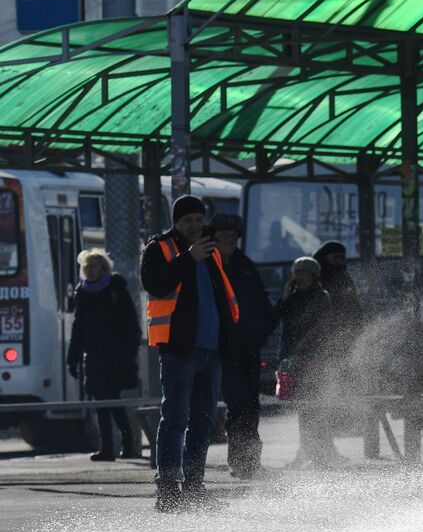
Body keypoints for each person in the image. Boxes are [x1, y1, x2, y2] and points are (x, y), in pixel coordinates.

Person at [141, 195, 241, 513]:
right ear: (176, 221)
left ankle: (194, 486)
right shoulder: (161, 248)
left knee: (203, 420)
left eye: (199, 219)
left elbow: (222, 300)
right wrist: (189, 258)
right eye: (188, 220)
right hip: (180, 349)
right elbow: (154, 284)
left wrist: (228, 341)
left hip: (211, 349)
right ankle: (168, 490)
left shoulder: (210, 252)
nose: (195, 225)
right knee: (174, 419)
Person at [212, 214, 275, 479]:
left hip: (248, 347)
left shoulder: (245, 265)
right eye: (224, 235)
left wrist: (261, 333)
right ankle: (240, 460)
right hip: (223, 349)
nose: (229, 239)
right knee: (238, 405)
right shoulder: (208, 264)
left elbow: (261, 304)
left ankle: (249, 460)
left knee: (250, 405)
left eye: (233, 236)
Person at [67, 248, 142, 462]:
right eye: (86, 267)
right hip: (94, 356)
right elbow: (78, 328)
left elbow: (131, 323)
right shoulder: (83, 293)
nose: (89, 271)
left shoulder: (116, 288)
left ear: (104, 268)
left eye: (94, 266)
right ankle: (108, 448)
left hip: (116, 356)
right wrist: (72, 358)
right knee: (101, 401)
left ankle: (126, 443)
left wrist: (129, 353)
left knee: (111, 398)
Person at [312, 240, 373, 455]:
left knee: (331, 400)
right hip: (320, 349)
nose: (340, 262)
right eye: (335, 258)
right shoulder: (316, 279)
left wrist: (355, 336)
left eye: (342, 258)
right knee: (316, 401)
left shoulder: (343, 278)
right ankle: (316, 449)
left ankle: (325, 448)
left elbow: (354, 311)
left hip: (342, 347)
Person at [276, 255, 337, 467]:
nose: (299, 278)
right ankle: (307, 452)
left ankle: (319, 454)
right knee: (304, 408)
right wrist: (285, 295)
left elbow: (318, 328)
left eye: (303, 273)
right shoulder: (293, 298)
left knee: (316, 407)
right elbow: (278, 317)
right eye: (296, 274)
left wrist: (299, 351)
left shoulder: (321, 297)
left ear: (313, 275)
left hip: (315, 359)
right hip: (296, 360)